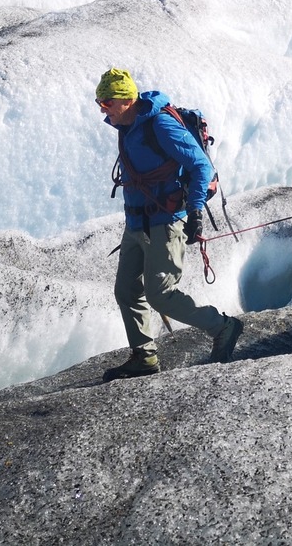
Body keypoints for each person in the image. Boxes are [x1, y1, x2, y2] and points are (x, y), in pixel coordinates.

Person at [95, 68, 241, 381]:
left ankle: (224, 327)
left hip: (164, 223)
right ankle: (144, 357)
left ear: (127, 100)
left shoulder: (159, 124)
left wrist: (195, 210)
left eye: (107, 102)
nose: (102, 109)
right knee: (126, 290)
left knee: (160, 294)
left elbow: (200, 167)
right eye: (99, 102)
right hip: (136, 223)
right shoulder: (129, 125)